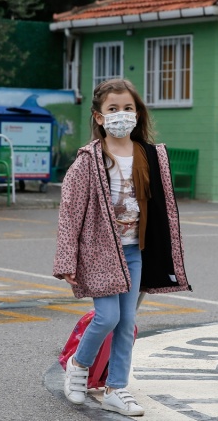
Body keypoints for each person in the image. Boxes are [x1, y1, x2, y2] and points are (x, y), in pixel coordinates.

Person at [52, 78, 191, 417]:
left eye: (128, 108)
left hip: (134, 251)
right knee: (107, 317)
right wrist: (67, 259)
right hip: (99, 252)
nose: (121, 115)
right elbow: (70, 212)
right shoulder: (88, 160)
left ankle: (117, 388)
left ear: (138, 113)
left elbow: (161, 207)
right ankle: (79, 364)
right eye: (113, 109)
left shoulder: (149, 155)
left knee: (126, 322)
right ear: (99, 117)